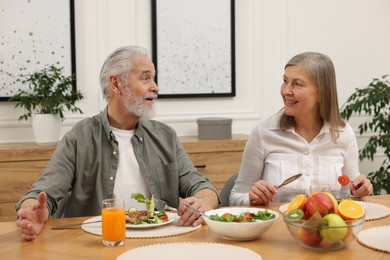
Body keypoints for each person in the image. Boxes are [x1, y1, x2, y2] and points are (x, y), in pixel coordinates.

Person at [15, 45, 219, 241]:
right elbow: (43, 192)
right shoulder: (79, 137)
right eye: (145, 77)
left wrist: (204, 202)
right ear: (116, 84)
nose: (155, 87)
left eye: (153, 78)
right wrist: (34, 211)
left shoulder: (166, 136)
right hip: (96, 243)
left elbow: (201, 186)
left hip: (158, 241)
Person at [230, 52, 373, 206]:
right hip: (278, 228)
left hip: (328, 227)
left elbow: (350, 197)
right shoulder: (263, 133)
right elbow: (235, 197)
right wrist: (251, 199)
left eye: (297, 84)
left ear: (321, 93)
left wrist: (359, 190)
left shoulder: (344, 134)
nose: (285, 91)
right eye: (285, 81)